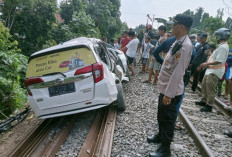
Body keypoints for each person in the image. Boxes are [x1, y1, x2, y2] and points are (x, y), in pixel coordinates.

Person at [148, 14, 193, 157]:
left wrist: (169, 93)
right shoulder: (177, 41)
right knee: (161, 115)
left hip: (171, 91)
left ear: (182, 27)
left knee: (168, 119)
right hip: (165, 87)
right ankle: (160, 137)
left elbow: (178, 72)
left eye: (175, 24)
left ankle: (165, 150)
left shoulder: (185, 46)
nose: (172, 27)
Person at [196, 28, 230, 112]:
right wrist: (210, 54)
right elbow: (216, 57)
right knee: (204, 86)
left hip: (215, 71)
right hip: (210, 70)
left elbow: (219, 60)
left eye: (217, 35)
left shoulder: (224, 47)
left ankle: (209, 105)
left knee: (210, 89)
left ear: (221, 36)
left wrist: (206, 64)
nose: (216, 37)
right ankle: (204, 101)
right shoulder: (221, 46)